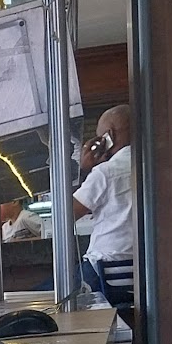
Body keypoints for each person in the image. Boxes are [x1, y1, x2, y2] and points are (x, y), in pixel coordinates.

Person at [73, 104, 133, 292]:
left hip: (105, 274)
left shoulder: (106, 172)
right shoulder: (159, 164)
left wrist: (83, 170)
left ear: (109, 136)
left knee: (42, 293)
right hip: (145, 276)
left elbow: (66, 216)